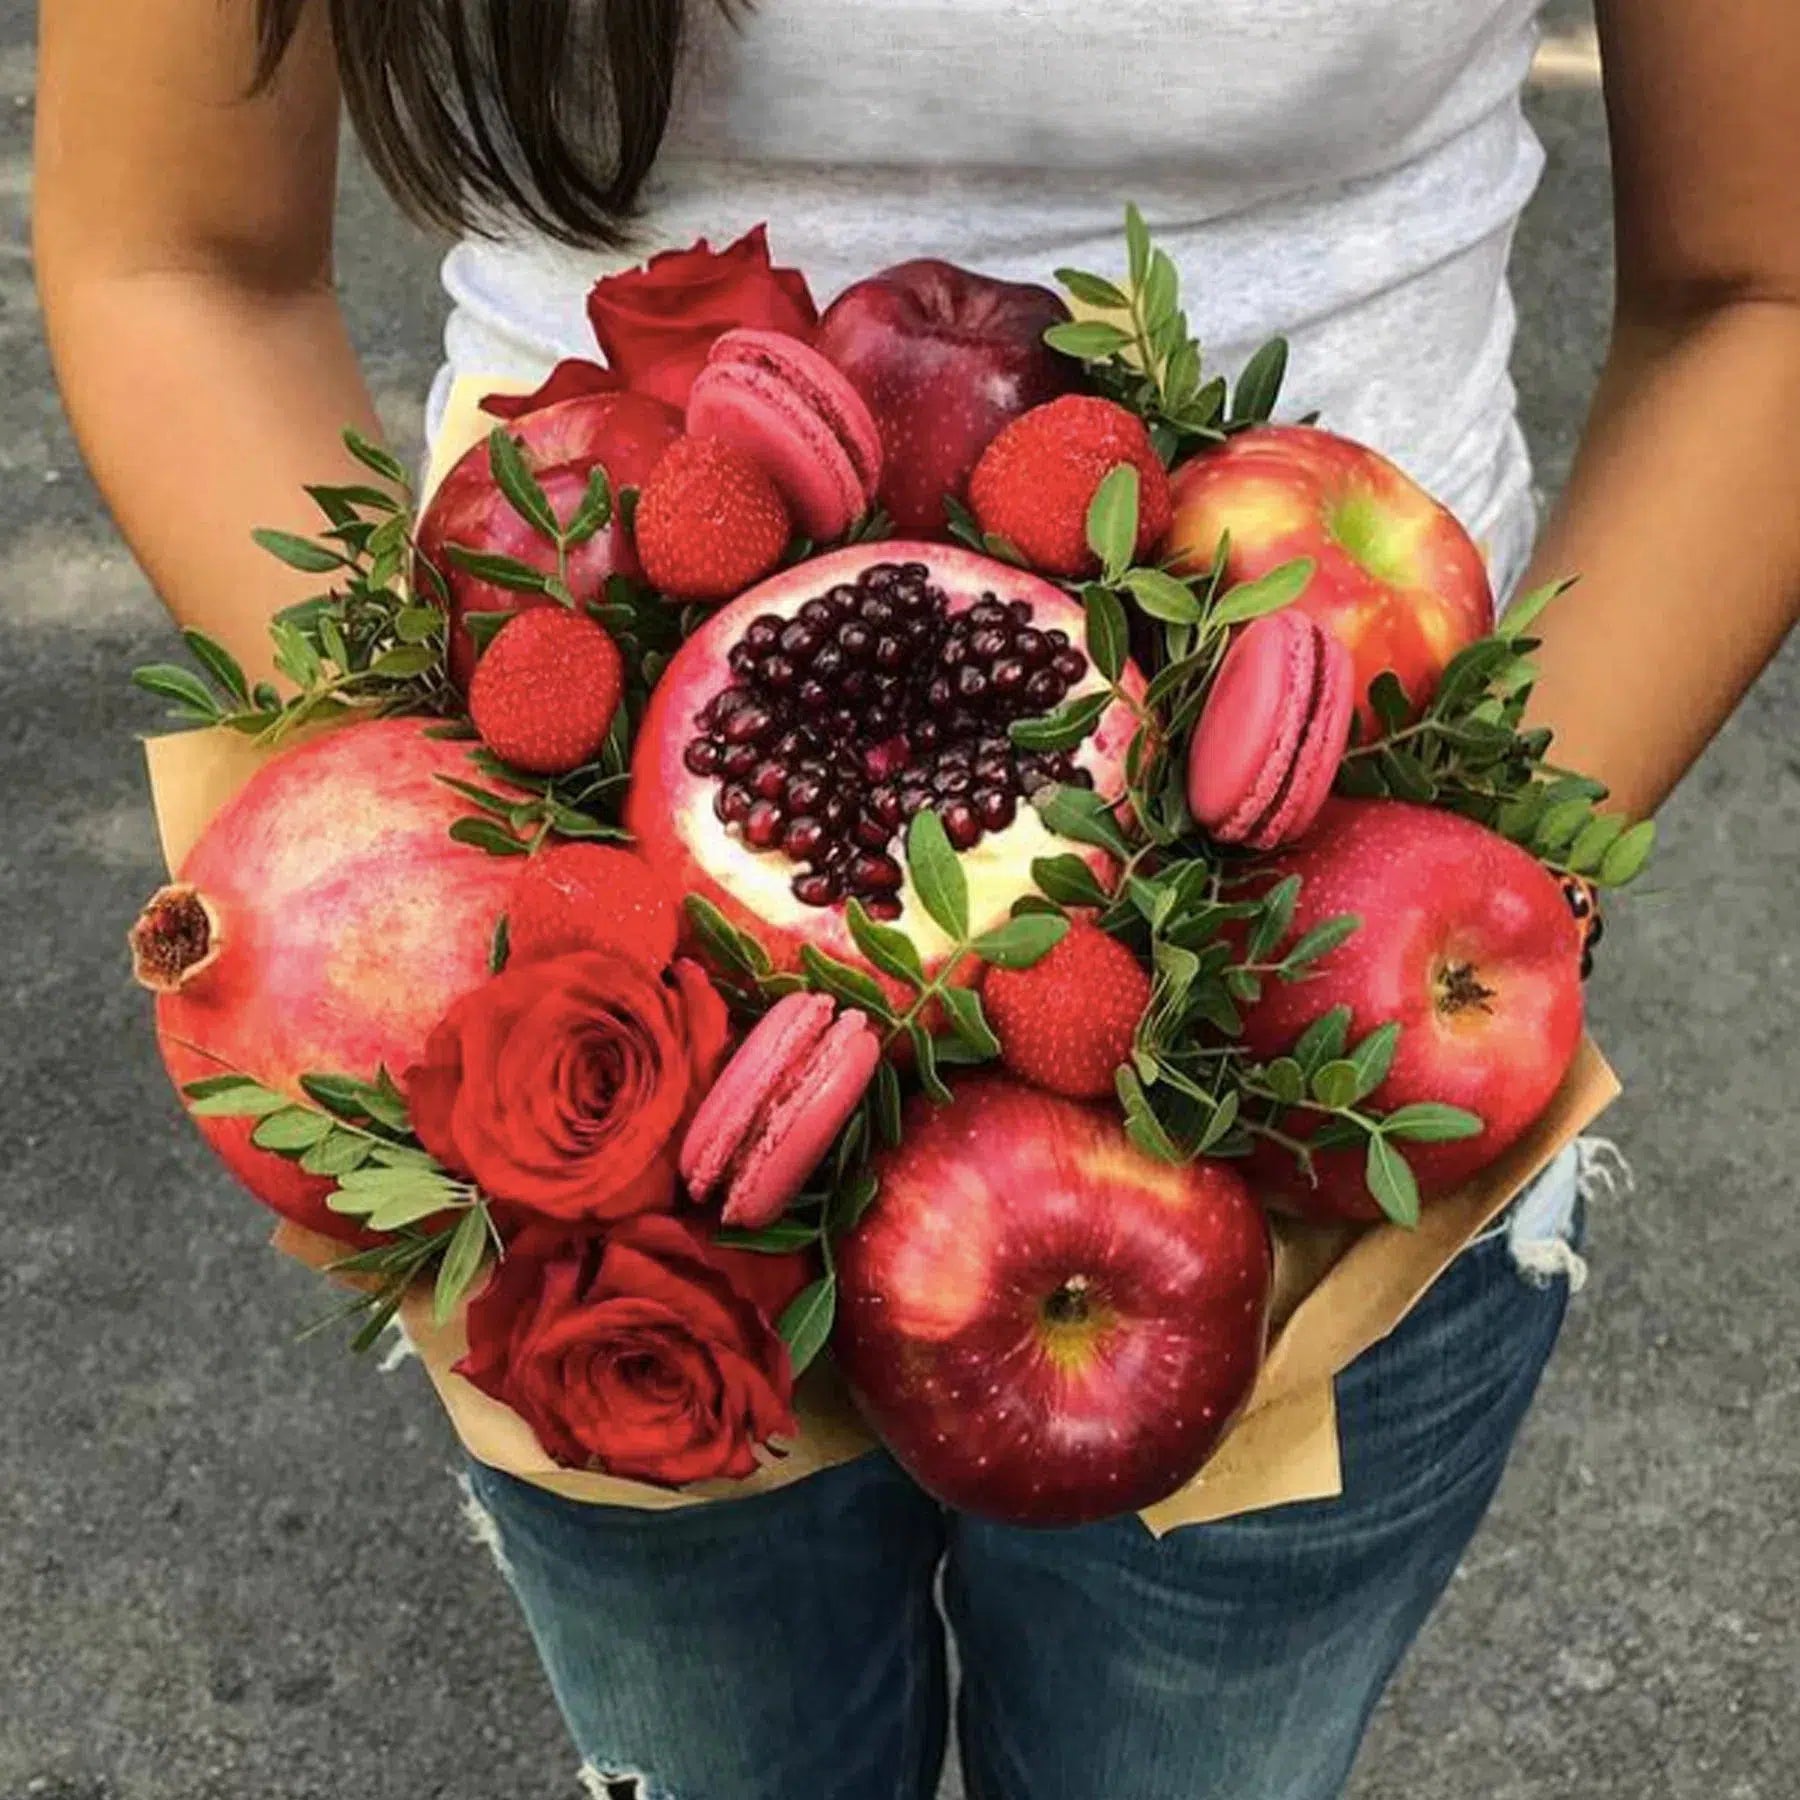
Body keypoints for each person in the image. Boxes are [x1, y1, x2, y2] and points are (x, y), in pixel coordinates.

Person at [35, 3, 1799, 1796]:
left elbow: (1768, 284)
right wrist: (399, 864)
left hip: (1322, 1026)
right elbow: (176, 253)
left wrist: (1469, 886)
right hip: (605, 1083)